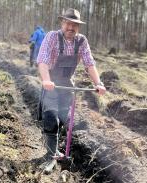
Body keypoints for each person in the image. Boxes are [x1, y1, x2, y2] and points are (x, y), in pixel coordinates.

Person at [36, 8, 106, 174]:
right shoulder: (52, 36)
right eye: (68, 23)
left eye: (75, 24)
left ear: (78, 27)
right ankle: (51, 154)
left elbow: (89, 64)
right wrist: (46, 80)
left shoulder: (81, 41)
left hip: (67, 85)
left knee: (62, 118)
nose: (71, 27)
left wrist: (99, 83)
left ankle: (57, 150)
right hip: (52, 83)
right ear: (62, 23)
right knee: (51, 117)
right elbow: (43, 60)